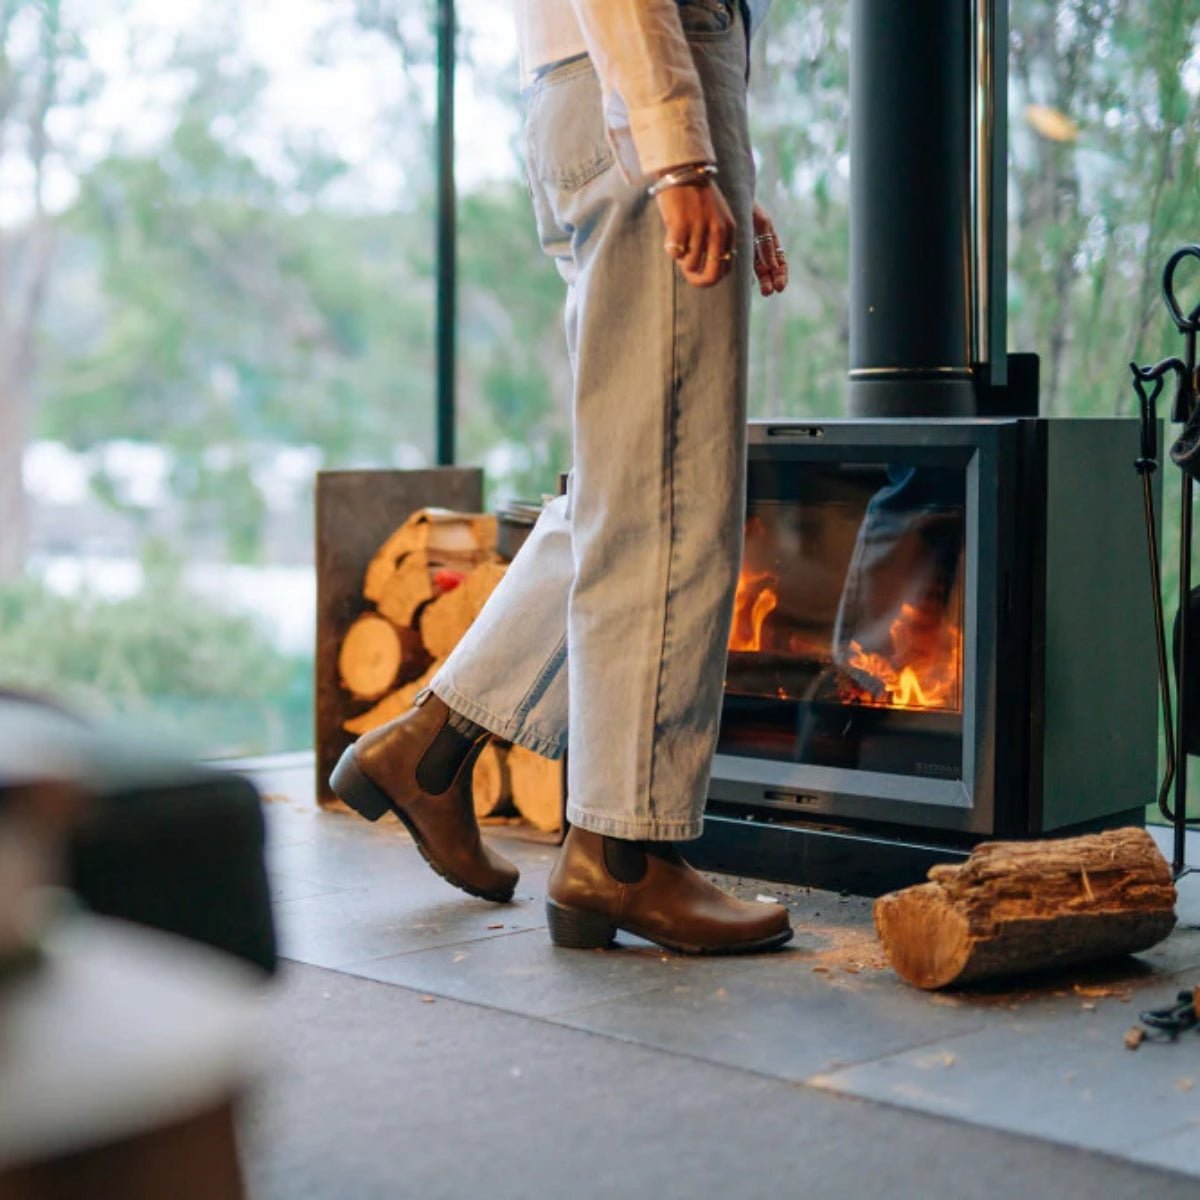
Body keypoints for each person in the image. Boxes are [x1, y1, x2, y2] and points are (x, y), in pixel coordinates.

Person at [331, 0, 793, 955]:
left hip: (603, 91)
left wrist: (707, 150)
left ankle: (436, 745)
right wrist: (681, 153)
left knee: (632, 476)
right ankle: (624, 854)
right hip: (640, 80)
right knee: (666, 493)